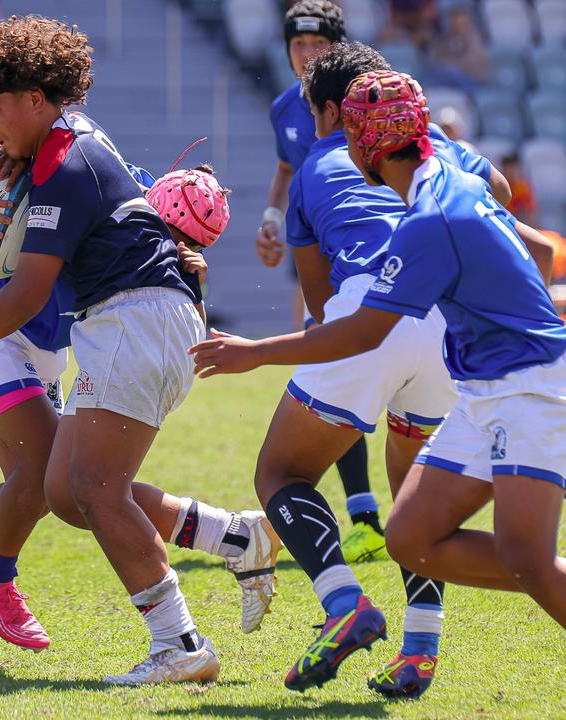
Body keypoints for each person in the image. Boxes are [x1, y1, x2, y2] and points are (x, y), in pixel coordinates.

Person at [191, 69, 566, 720]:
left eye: (350, 139)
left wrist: (253, 353)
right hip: (490, 387)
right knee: (410, 536)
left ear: (370, 148)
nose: (347, 153)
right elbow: (537, 248)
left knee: (524, 555)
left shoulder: (431, 217)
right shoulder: (451, 183)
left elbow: (365, 331)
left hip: (533, 388)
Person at [197, 41, 510, 700]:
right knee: (416, 496)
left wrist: (314, 369)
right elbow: (500, 191)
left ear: (336, 111)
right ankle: (419, 650)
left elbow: (318, 301)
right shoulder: (431, 145)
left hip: (373, 312)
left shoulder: (319, 160)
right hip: (451, 322)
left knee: (281, 473)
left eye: (315, 113)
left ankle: (345, 605)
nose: (313, 127)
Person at [0, 157, 280, 655]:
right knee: (54, 477)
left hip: (46, 343)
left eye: (190, 246)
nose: (172, 247)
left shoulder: (160, 238)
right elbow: (0, 144)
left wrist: (192, 279)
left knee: (54, 485)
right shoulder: (117, 182)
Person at [0, 15, 218, 684]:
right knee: (66, 490)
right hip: (132, 320)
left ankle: (179, 645)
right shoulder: (58, 143)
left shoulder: (66, 162)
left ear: (37, 97)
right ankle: (232, 543)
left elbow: (30, 290)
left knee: (93, 488)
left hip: (136, 319)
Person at [254, 0, 389, 565]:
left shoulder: (378, 105)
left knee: (337, 374)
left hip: (368, 264)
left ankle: (370, 525)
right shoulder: (288, 109)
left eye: (316, 47)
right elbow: (288, 168)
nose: (306, 56)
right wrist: (271, 216)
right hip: (323, 247)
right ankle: (365, 518)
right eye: (296, 47)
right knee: (338, 377)